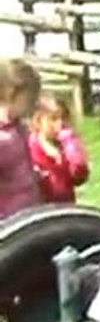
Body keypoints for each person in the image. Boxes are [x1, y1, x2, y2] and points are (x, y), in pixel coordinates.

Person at [28, 92, 89, 204]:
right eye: (53, 119)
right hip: (41, 209)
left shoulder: (66, 146)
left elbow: (78, 179)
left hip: (66, 207)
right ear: (38, 120)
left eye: (63, 118)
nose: (59, 124)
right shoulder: (31, 148)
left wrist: (78, 163)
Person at [0, 59, 42, 219]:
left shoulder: (17, 128)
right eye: (29, 99)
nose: (32, 104)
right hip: (7, 218)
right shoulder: (4, 137)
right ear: (13, 93)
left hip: (27, 210)